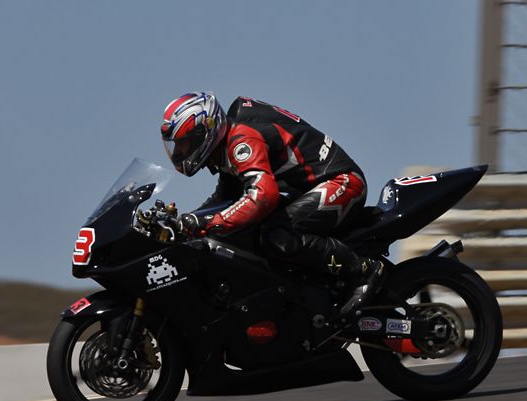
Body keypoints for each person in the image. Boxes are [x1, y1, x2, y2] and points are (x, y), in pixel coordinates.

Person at [160, 91, 386, 316]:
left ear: (204, 131)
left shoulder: (242, 139)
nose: (180, 153)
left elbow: (263, 196)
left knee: (275, 234)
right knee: (246, 232)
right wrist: (185, 223)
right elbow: (224, 199)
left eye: (184, 144)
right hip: (312, 190)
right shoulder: (227, 147)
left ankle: (362, 270)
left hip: (342, 182)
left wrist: (210, 223)